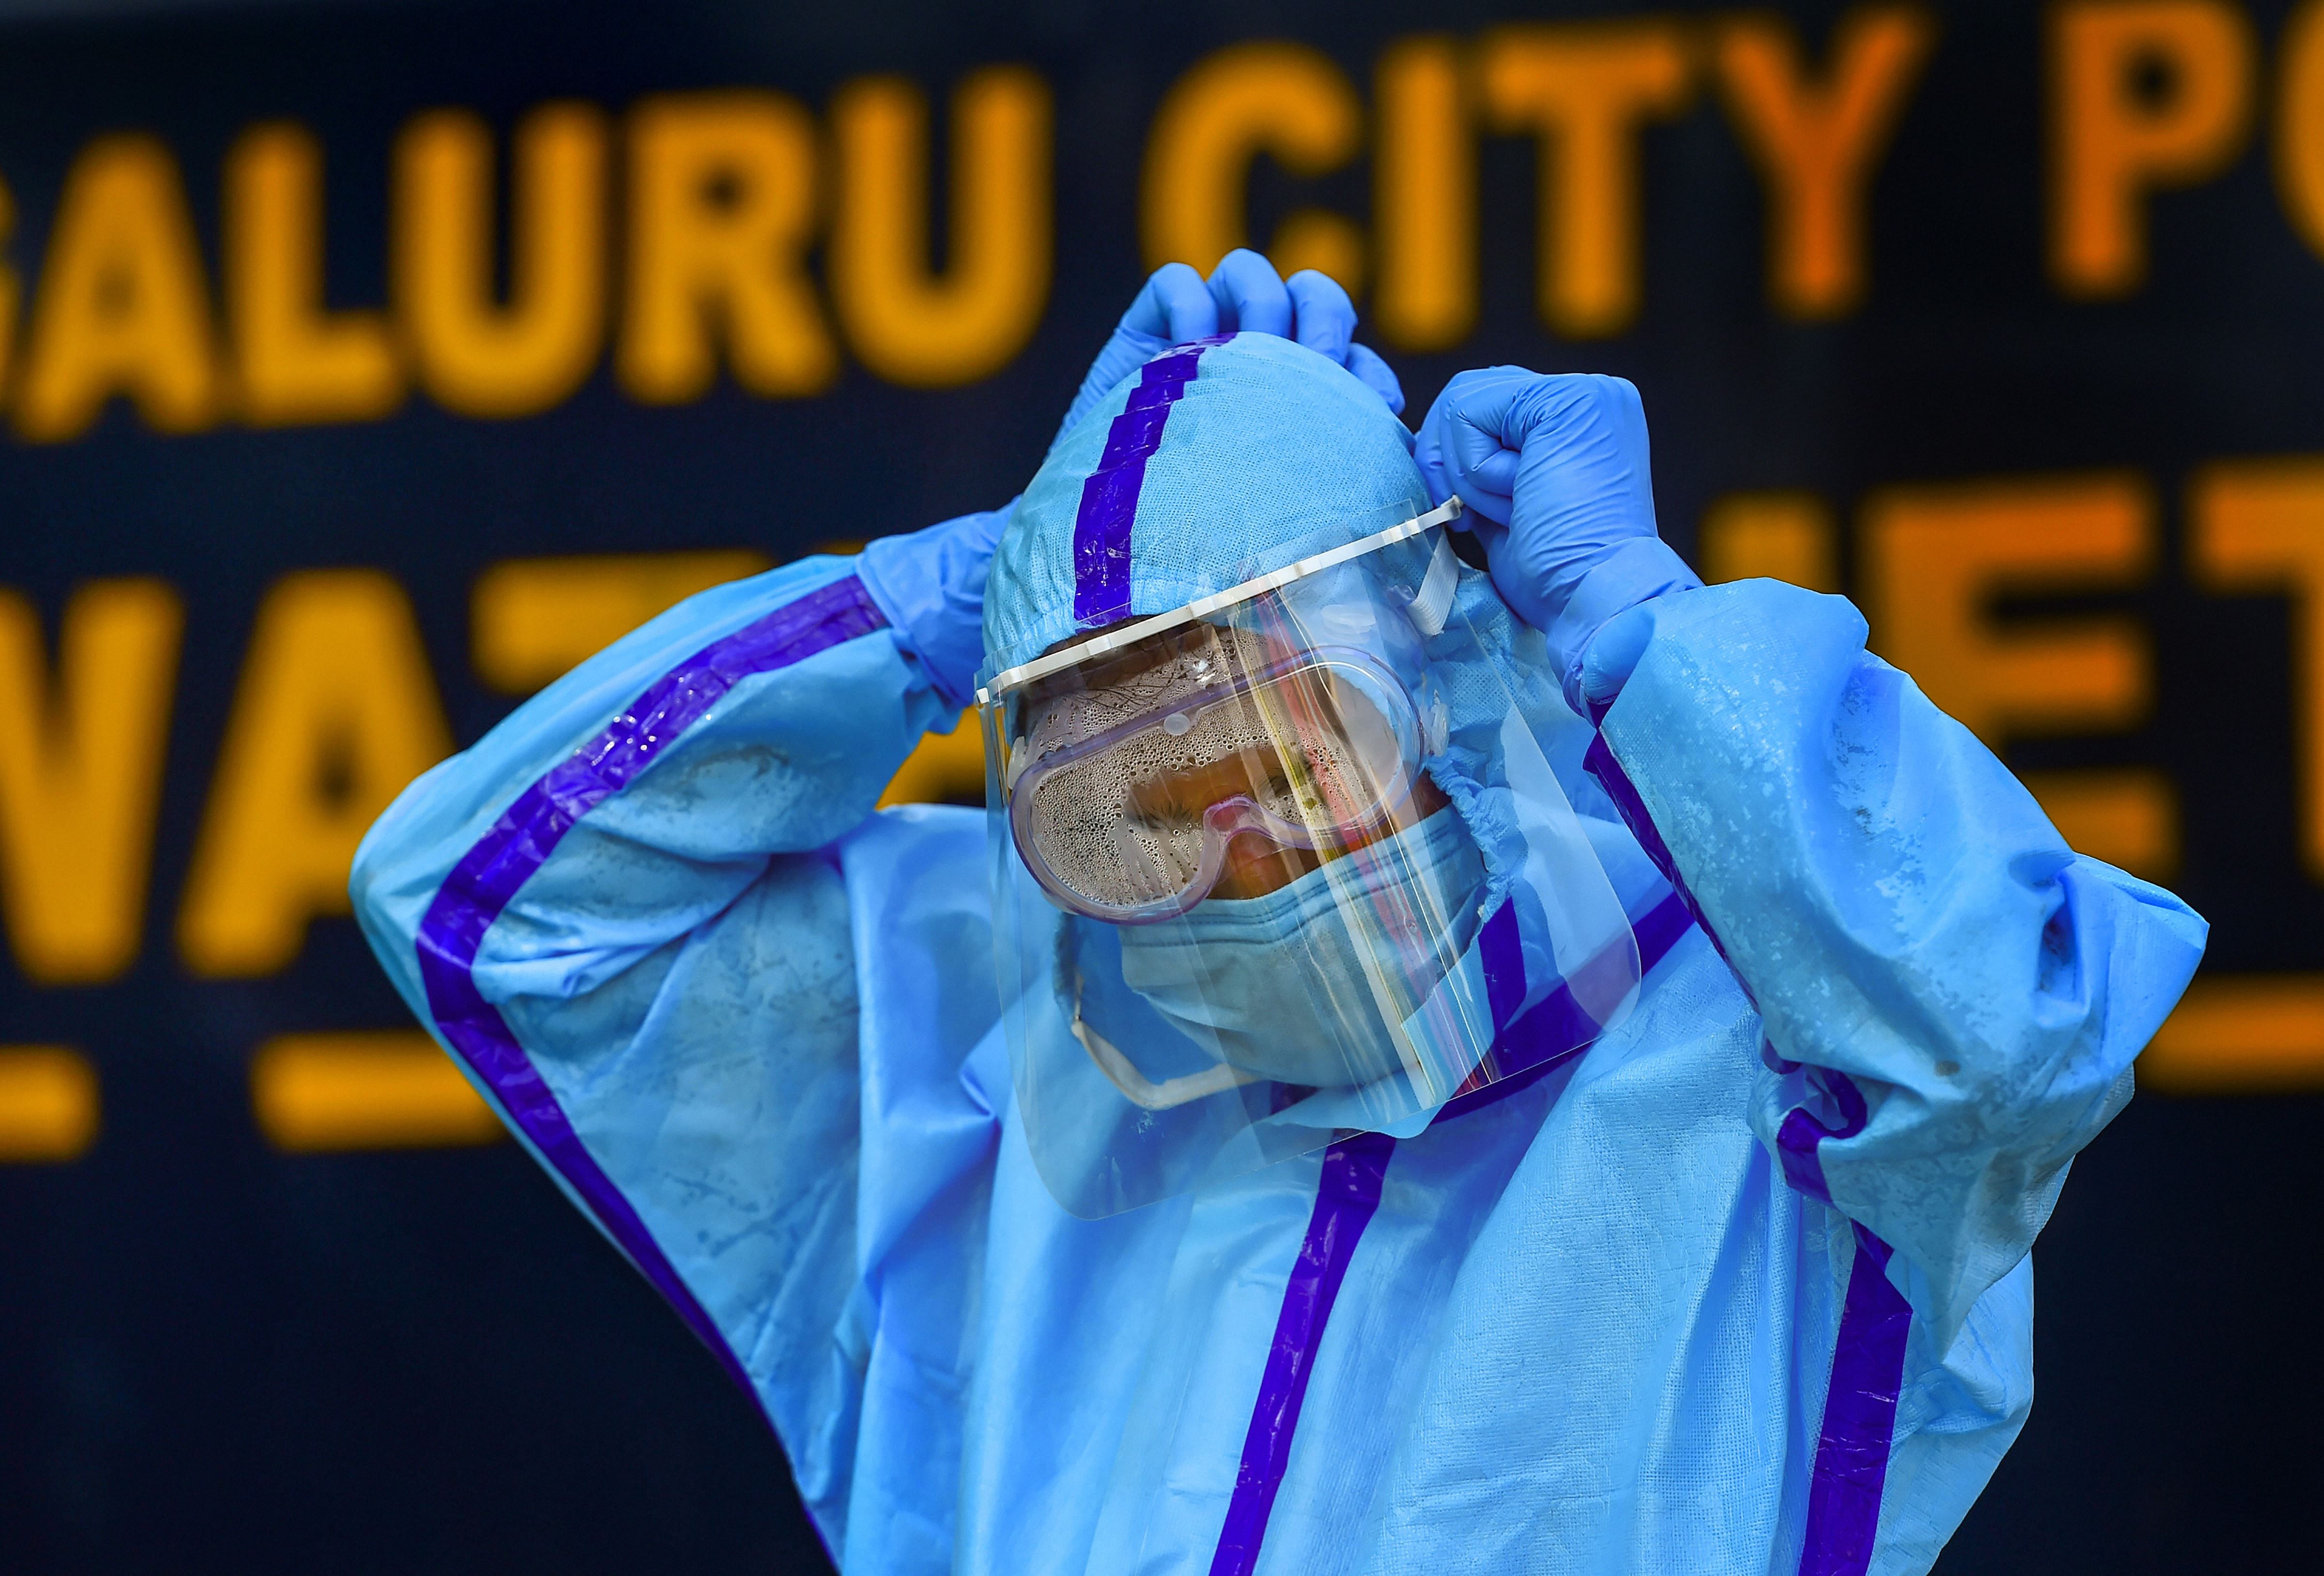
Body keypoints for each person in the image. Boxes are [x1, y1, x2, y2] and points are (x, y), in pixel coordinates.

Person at [351, 251, 2205, 1576]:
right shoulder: (986, 1061)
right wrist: (943, 602)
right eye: (1119, 812)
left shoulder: (1743, 1049)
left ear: (1441, 690)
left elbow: (2009, 1029)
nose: (1226, 857)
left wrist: (1643, 635)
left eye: (1285, 753)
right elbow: (483, 906)